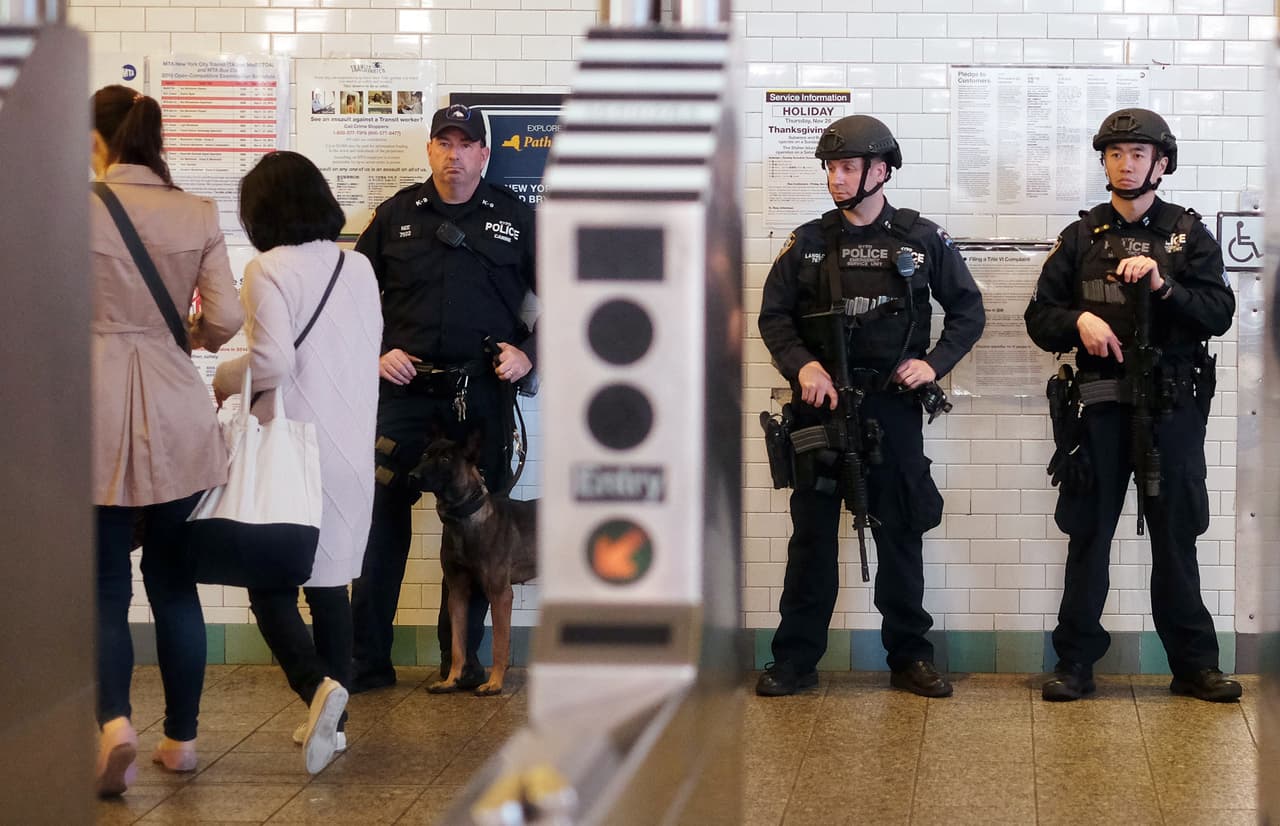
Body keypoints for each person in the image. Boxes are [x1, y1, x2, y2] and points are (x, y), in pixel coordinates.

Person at [756, 115, 985, 698]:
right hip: (821, 410)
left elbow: (969, 311)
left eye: (848, 167)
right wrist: (803, 366)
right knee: (811, 539)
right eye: (831, 168)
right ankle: (794, 660)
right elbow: (774, 317)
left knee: (901, 535)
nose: (836, 178)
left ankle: (910, 657)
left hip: (892, 409)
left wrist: (933, 363)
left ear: (880, 171)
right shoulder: (808, 243)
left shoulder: (921, 239)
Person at [1025, 108, 1241, 703]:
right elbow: (1039, 317)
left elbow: (1219, 314)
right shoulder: (1081, 237)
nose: (1125, 164)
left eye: (1138, 154)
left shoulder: (1187, 235)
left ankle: (1194, 666)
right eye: (1115, 154)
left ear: (1161, 164)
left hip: (1172, 410)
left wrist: (1164, 286)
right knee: (1088, 538)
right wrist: (1079, 320)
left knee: (1176, 540)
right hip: (1099, 409)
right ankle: (1074, 663)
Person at [350, 103, 537, 693]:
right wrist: (377, 351)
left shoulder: (516, 217)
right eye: (444, 143)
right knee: (381, 524)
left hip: (479, 396)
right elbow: (350, 296)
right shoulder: (396, 215)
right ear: (429, 150)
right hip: (404, 393)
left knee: (481, 532)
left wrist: (530, 353)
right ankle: (367, 661)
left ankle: (460, 663)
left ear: (484, 153)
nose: (454, 154)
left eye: (465, 144)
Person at [89, 85, 243, 795]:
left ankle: (115, 723)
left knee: (103, 583)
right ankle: (181, 741)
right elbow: (227, 320)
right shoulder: (198, 211)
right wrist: (184, 334)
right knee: (174, 581)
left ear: (98, 140)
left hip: (90, 409)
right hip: (177, 408)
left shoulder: (70, 208)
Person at [212, 151, 382, 772]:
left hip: (293, 452)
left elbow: (273, 362)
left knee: (270, 586)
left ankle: (316, 691)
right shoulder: (358, 265)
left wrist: (223, 378)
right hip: (351, 451)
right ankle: (335, 729)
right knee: (331, 584)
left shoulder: (266, 269)